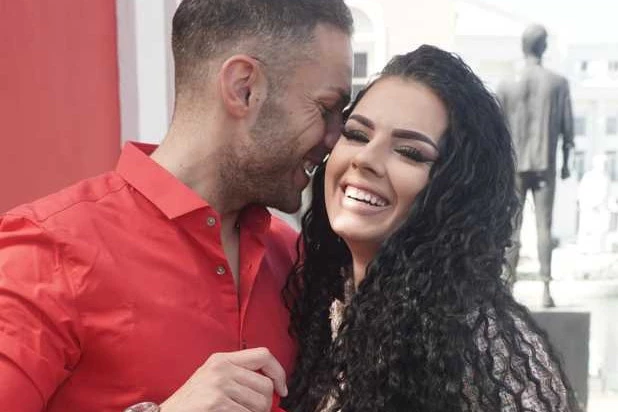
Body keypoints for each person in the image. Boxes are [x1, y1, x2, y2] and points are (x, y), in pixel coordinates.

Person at [0, 1, 353, 411]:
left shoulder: (292, 259)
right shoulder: (48, 251)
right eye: (326, 109)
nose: (335, 139)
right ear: (244, 88)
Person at [282, 45, 580, 412]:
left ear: (456, 190)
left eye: (409, 152)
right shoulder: (320, 309)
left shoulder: (486, 352)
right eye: (357, 135)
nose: (365, 159)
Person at [496, 24, 575, 308]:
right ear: (544, 47)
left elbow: (496, 131)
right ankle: (546, 289)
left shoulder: (506, 84)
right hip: (544, 163)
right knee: (544, 225)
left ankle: (507, 286)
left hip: (514, 164)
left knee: (512, 227)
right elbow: (568, 128)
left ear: (523, 46)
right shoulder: (557, 83)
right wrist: (566, 163)